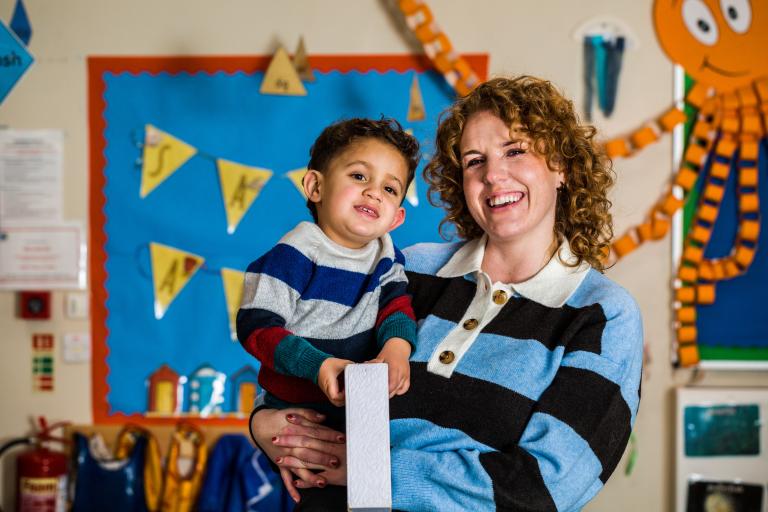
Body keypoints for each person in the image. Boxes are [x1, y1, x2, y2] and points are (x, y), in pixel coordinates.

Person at [250, 76, 644, 511]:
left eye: (515, 151)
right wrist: (268, 424)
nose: (493, 175)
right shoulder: (409, 268)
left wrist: (371, 470)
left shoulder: (603, 315)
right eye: (475, 161)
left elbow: (546, 485)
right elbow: (309, 342)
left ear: (561, 166)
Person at [237, 117, 420, 427]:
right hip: (293, 406)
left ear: (396, 219)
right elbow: (257, 326)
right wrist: (315, 365)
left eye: (389, 188)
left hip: (359, 405)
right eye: (360, 176)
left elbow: (396, 308)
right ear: (315, 187)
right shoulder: (295, 254)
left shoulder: (387, 257)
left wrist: (397, 347)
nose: (374, 193)